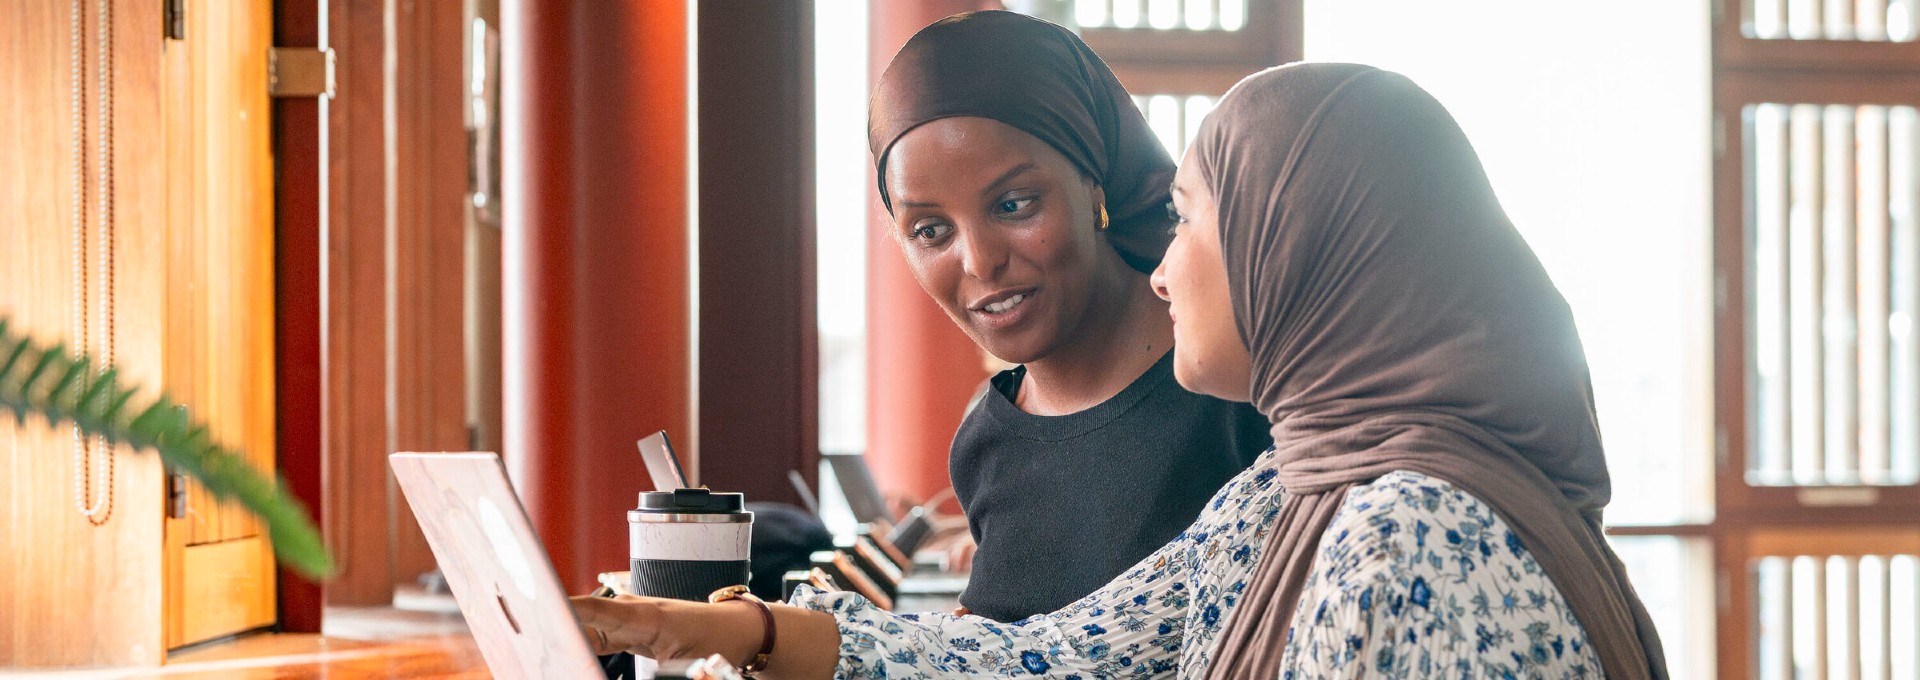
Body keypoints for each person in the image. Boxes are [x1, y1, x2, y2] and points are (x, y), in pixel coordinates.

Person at [574, 62, 1669, 679]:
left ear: (1300, 254)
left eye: (1188, 224)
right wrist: (737, 627)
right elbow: (1048, 658)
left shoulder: (1407, 532)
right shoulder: (1290, 494)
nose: (1161, 273)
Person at [866, 10, 1269, 622]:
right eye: (931, 230)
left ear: (1094, 184)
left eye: (1013, 204)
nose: (979, 261)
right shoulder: (985, 445)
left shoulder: (1238, 386)